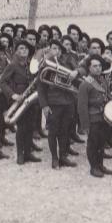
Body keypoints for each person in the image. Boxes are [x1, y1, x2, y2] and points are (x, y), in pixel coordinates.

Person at [36, 41, 78, 169]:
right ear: (49, 51)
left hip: (68, 102)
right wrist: (44, 105)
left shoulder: (67, 64)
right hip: (54, 103)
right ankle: (55, 158)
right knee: (53, 132)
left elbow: (76, 79)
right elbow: (41, 88)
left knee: (65, 131)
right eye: (54, 48)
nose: (57, 51)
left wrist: (74, 73)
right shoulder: (45, 66)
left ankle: (63, 156)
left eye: (59, 49)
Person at [0, 39, 40, 165]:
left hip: (30, 99)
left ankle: (28, 153)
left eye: (26, 49)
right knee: (22, 128)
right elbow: (2, 82)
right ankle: (20, 155)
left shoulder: (30, 64)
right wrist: (13, 95)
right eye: (21, 48)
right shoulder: (12, 65)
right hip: (19, 99)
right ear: (16, 51)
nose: (24, 51)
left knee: (30, 127)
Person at [77, 55, 112, 178]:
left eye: (99, 66)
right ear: (89, 68)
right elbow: (82, 107)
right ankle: (94, 167)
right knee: (93, 143)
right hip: (93, 118)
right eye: (94, 66)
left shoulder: (103, 81)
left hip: (104, 117)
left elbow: (107, 97)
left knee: (101, 143)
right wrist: (85, 125)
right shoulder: (85, 84)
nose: (98, 68)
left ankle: (100, 164)